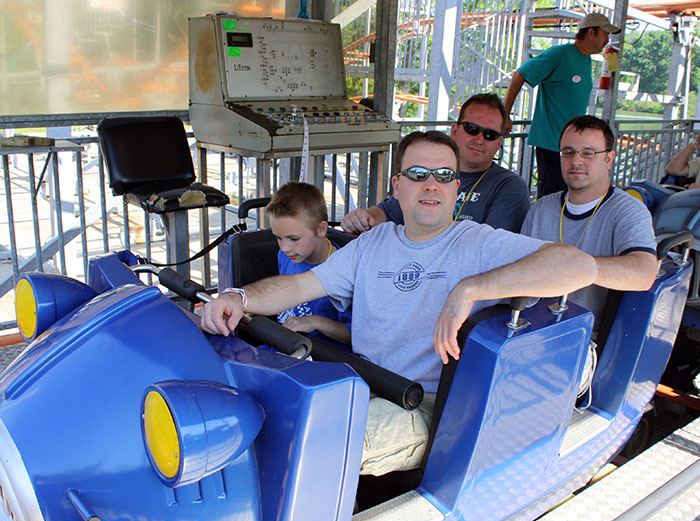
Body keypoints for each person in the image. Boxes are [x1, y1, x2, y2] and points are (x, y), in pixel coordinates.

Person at [202, 130, 597, 476]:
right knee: (251, 412)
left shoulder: (477, 242)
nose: (431, 184)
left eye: (443, 176)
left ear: (456, 188)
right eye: (418, 174)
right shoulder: (373, 242)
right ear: (397, 185)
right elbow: (301, 286)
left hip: (421, 403)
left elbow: (577, 265)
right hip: (357, 382)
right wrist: (239, 297)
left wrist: (470, 289)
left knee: (311, 441)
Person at [521, 115, 657, 330]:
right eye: (568, 152)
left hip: (584, 335)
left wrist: (573, 266)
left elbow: (643, 273)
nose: (576, 161)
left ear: (608, 159)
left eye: (588, 153)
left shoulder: (628, 210)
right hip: (529, 325)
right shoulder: (540, 209)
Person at [340, 93, 529, 234]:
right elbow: (388, 211)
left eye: (490, 134)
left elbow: (488, 248)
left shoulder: (509, 187)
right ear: (455, 131)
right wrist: (362, 219)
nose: (479, 139)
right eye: (472, 129)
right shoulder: (427, 173)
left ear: (499, 143)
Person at [503, 13, 621, 198]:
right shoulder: (560, 54)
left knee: (571, 195)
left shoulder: (586, 59)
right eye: (605, 34)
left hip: (573, 145)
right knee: (552, 196)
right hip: (552, 143)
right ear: (591, 32)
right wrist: (505, 114)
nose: (607, 40)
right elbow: (521, 74)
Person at [260, 182, 351, 346]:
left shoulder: (343, 271)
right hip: (286, 341)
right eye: (279, 238)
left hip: (321, 355)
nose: (285, 248)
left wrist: (316, 322)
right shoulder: (286, 254)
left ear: (321, 229)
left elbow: (356, 336)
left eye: (294, 239)